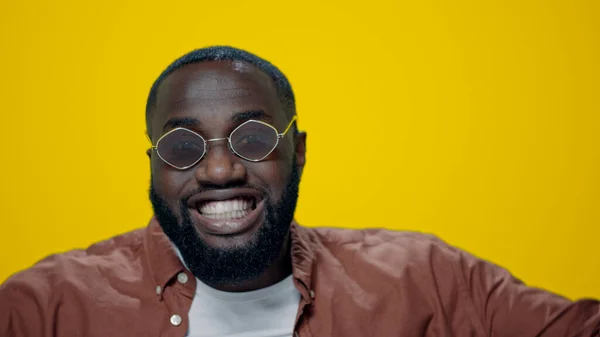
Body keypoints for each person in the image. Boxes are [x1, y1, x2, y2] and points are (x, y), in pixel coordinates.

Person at [1, 46, 598, 337]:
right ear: (153, 165)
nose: (216, 172)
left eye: (252, 138)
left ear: (299, 151)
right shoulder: (43, 311)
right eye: (183, 146)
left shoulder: (429, 281)